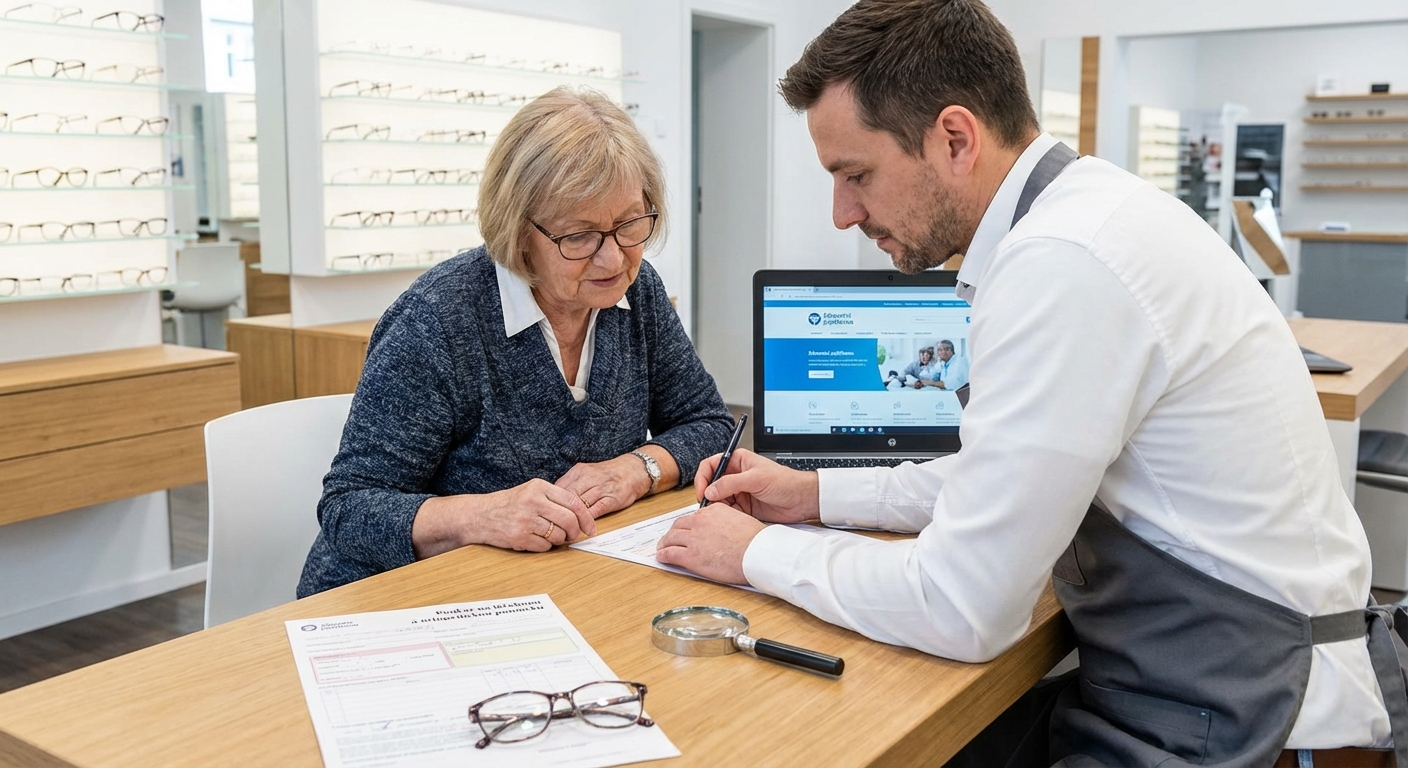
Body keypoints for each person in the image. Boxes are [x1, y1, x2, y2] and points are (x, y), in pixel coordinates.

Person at [655, 2, 1408, 766]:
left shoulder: (1064, 263)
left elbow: (963, 607)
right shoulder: (1085, 217)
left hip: (1254, 714)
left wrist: (754, 554)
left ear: (955, 138)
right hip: (1207, 678)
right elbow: (1003, 476)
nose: (844, 213)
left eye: (856, 175)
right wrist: (813, 496)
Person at [298, 86, 734, 596]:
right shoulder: (439, 318)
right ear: (517, 228)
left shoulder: (639, 293)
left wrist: (634, 470)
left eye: (629, 224)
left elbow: (709, 425)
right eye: (579, 236)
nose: (614, 259)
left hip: (548, 588)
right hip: (398, 603)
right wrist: (481, 515)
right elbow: (350, 508)